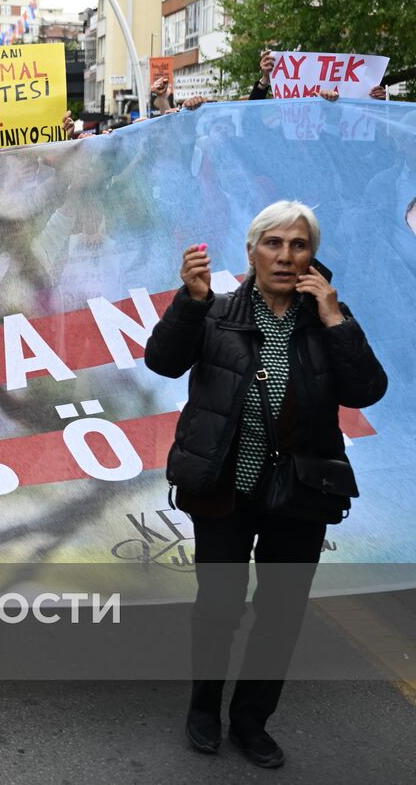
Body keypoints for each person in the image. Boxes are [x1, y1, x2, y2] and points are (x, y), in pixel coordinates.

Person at [144, 200, 387, 768]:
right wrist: (190, 300)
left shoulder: (328, 316)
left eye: (298, 246)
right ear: (251, 251)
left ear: (312, 256)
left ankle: (252, 721)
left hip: (302, 493)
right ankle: (204, 707)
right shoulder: (217, 311)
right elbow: (162, 362)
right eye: (273, 244)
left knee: (281, 613)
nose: (285, 256)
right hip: (223, 488)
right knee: (219, 607)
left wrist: (334, 320)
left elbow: (366, 391)